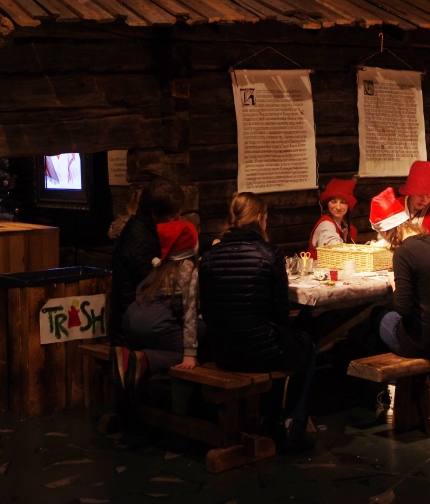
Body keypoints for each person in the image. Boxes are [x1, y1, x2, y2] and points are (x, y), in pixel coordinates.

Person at [200, 192, 316, 453]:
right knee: (306, 345)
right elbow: (280, 313)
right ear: (261, 218)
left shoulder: (210, 256)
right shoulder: (270, 254)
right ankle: (292, 424)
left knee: (282, 342)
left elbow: (206, 310)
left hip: (222, 351)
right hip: (259, 351)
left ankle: (270, 417)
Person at [370, 189, 430, 361]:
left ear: (387, 231)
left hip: (421, 344)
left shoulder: (403, 252)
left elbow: (403, 309)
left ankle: (390, 374)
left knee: (378, 314)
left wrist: (394, 284)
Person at [119, 219, 202, 386]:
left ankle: (128, 355)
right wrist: (190, 353)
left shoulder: (160, 267)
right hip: (155, 325)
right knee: (189, 349)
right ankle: (145, 360)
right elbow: (190, 311)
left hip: (129, 321)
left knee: (160, 340)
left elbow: (140, 290)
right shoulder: (190, 270)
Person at [110, 178, 184, 346]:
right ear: (154, 214)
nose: (178, 221)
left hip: (142, 320)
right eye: (173, 217)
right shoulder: (140, 243)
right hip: (133, 330)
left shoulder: (148, 228)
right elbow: (158, 287)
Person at [372, 161, 430, 249]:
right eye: (420, 195)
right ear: (411, 191)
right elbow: (382, 237)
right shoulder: (395, 207)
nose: (424, 200)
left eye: (429, 196)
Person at [308, 178, 358, 258]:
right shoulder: (326, 224)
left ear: (348, 205)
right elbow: (335, 247)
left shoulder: (344, 225)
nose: (338, 207)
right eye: (333, 202)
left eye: (343, 202)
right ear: (327, 204)